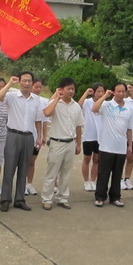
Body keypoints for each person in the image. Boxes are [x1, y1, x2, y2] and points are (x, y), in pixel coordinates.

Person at [0, 72, 43, 212]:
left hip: (28, 136)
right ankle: (5, 199)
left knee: (24, 168)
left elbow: (38, 119)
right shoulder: (12, 96)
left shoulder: (36, 100)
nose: (27, 83)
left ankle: (20, 199)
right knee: (9, 168)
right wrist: (9, 83)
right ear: (20, 82)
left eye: (29, 81)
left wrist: (39, 136)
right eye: (24, 81)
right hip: (13, 135)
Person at [41, 78, 84, 210]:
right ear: (61, 89)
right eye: (68, 89)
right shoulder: (55, 103)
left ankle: (62, 197)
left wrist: (78, 143)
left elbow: (78, 126)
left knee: (66, 173)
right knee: (52, 172)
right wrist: (56, 98)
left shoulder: (76, 106)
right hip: (57, 142)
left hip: (70, 143)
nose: (71, 91)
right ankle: (47, 198)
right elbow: (47, 113)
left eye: (73, 89)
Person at [92, 83, 132, 208]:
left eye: (123, 91)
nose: (120, 94)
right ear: (114, 92)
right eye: (118, 91)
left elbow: (129, 129)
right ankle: (100, 197)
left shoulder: (129, 109)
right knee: (103, 173)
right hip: (106, 147)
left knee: (117, 174)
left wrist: (129, 145)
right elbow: (94, 108)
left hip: (120, 147)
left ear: (125, 93)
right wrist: (105, 96)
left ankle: (115, 197)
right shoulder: (106, 105)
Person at [25, 78, 49, 196]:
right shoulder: (26, 100)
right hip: (26, 135)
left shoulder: (43, 102)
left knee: (32, 161)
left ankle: (29, 183)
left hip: (37, 137)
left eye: (40, 87)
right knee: (24, 161)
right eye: (36, 87)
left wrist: (43, 136)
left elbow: (44, 121)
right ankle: (22, 184)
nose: (38, 89)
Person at [79, 83, 105, 192]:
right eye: (98, 91)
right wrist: (86, 93)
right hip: (88, 136)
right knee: (87, 159)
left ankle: (93, 181)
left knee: (96, 160)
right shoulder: (87, 102)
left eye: (102, 91)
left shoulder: (105, 104)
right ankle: (86, 181)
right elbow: (78, 105)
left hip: (100, 136)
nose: (100, 93)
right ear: (94, 92)